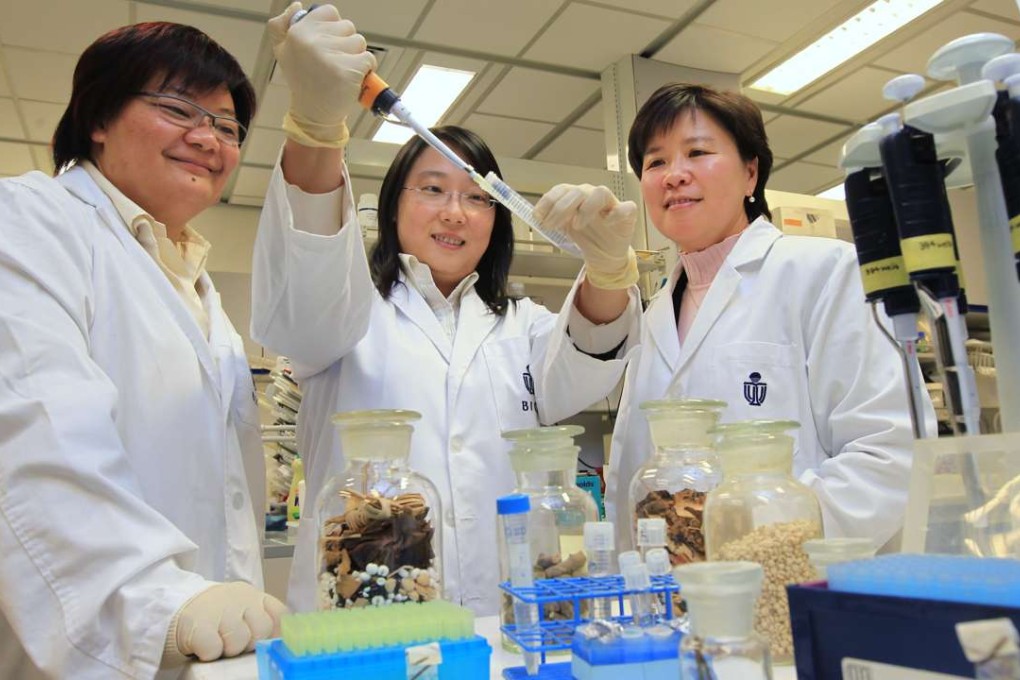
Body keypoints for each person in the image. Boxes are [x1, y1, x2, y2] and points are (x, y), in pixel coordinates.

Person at [252, 4, 642, 615]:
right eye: (432, 189)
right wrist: (316, 130)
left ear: (499, 218)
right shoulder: (350, 312)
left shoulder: (524, 326)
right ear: (393, 206)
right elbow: (302, 308)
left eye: (477, 197)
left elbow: (582, 367)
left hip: (502, 614)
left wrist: (609, 270)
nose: (455, 212)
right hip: (365, 616)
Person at [0, 22, 286, 679]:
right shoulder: (27, 220)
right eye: (178, 109)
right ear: (99, 116)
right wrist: (160, 606)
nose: (207, 137)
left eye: (227, 124)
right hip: (109, 638)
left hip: (207, 648)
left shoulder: (195, 283)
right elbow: (32, 438)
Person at [604, 83, 933, 553]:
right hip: (674, 599)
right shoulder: (654, 312)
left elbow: (890, 449)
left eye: (697, 152)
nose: (674, 174)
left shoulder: (825, 270)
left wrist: (766, 549)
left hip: (801, 586)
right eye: (656, 162)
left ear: (750, 173)